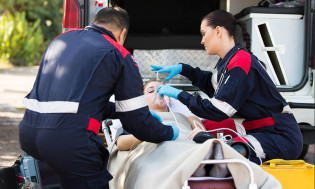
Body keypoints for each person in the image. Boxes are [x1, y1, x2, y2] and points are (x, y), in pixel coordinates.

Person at [19, 7, 179, 189]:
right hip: (67, 140)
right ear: (122, 34)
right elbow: (136, 121)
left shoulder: (61, 40)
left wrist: (117, 113)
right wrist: (167, 132)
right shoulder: (119, 53)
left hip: (29, 133)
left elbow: (78, 101)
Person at [151, 9, 303, 164]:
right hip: (261, 131)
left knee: (223, 153)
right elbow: (213, 86)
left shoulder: (240, 62)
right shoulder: (229, 62)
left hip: (279, 136)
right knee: (212, 140)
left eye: (204, 33)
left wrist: (179, 95)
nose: (202, 40)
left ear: (218, 31)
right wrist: (184, 69)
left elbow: (218, 110)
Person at [116, 80, 205, 150]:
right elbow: (120, 144)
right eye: (151, 91)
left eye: (161, 89)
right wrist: (148, 133)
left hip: (188, 148)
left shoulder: (190, 118)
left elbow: (208, 137)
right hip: (156, 154)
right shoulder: (135, 119)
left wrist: (200, 133)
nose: (157, 92)